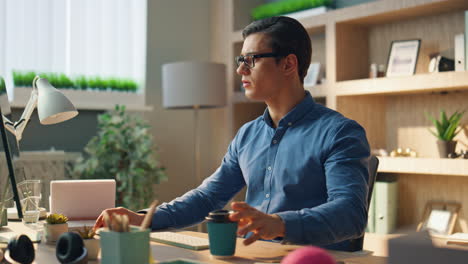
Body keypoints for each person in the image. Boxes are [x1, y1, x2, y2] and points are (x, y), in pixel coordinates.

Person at [94, 16, 370, 251]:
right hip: (250, 256)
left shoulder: (340, 133)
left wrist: (280, 224)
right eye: (241, 60)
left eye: (251, 60)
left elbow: (350, 214)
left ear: (288, 64)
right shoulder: (248, 135)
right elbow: (207, 197)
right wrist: (142, 218)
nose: (240, 70)